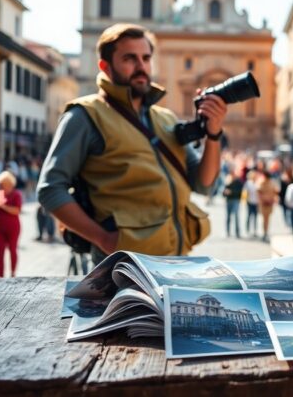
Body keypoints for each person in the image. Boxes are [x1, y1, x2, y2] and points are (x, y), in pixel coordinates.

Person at [37, 23, 225, 266]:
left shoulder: (165, 118)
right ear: (105, 66)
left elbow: (205, 184)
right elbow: (50, 189)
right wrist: (103, 239)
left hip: (177, 262)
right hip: (124, 268)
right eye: (130, 58)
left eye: (146, 58)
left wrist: (213, 134)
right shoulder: (84, 115)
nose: (141, 66)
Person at [0, 172, 23, 278]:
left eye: (4, 184)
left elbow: (16, 211)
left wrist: (2, 206)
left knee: (13, 249)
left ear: (11, 184)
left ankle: (12, 273)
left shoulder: (16, 194)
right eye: (1, 184)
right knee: (0, 251)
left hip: (13, 227)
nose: (2, 186)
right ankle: (0, 276)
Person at [257, 171, 279, 242]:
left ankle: (265, 232)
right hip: (265, 203)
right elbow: (259, 192)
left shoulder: (268, 182)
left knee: (266, 219)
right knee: (265, 219)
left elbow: (276, 192)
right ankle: (265, 232)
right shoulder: (263, 182)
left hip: (268, 203)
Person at [223, 170, 243, 238]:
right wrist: (225, 193)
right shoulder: (228, 182)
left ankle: (237, 232)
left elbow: (240, 192)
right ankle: (228, 232)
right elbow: (223, 192)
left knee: (236, 216)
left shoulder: (238, 182)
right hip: (229, 200)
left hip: (235, 200)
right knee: (228, 216)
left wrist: (231, 192)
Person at [244, 170, 259, 237]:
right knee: (249, 216)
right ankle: (248, 230)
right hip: (250, 202)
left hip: (256, 202)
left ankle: (255, 230)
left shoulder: (257, 183)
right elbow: (245, 192)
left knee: (255, 216)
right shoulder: (248, 183)